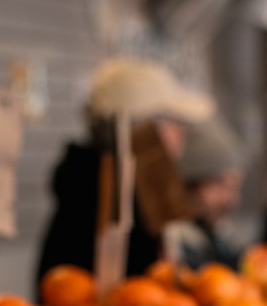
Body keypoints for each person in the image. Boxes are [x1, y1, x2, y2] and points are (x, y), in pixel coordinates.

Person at [36, 58, 213, 284]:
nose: (182, 133)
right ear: (139, 129)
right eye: (173, 120)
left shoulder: (135, 185)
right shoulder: (101, 194)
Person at [163, 118, 245, 271]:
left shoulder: (217, 240)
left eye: (234, 188)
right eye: (221, 185)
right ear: (187, 184)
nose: (230, 199)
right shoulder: (168, 245)